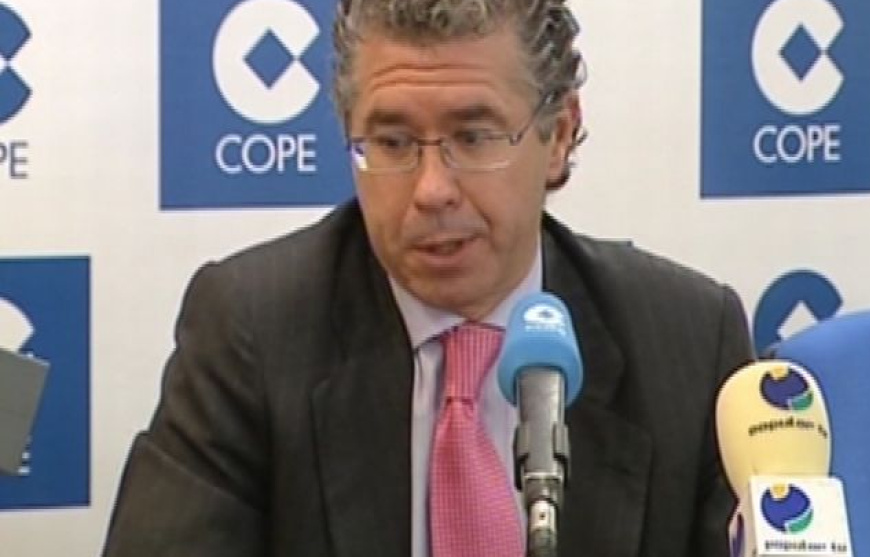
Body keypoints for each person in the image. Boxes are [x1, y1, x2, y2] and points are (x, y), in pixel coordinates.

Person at [103, 1, 753, 556]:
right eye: (392, 143)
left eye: (473, 138)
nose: (431, 190)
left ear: (559, 135)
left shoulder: (689, 343)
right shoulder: (252, 332)